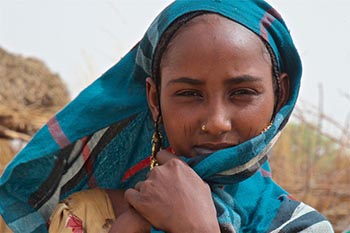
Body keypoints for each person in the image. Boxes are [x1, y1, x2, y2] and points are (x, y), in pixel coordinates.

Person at [0, 0, 334, 232]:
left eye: (242, 92)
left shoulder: (302, 227)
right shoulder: (88, 215)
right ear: (154, 99)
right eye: (189, 94)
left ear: (281, 96)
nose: (216, 121)